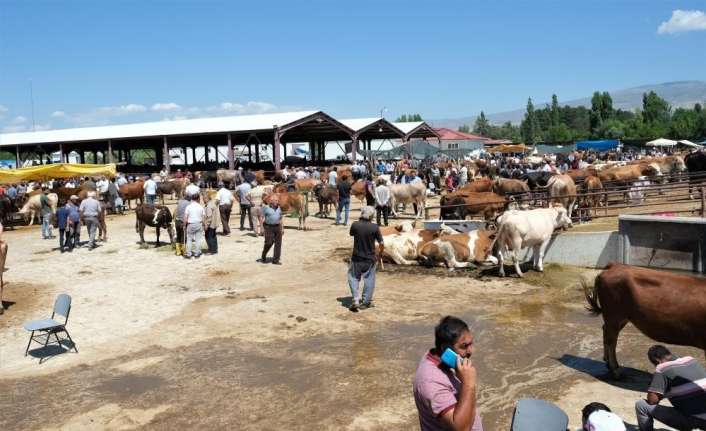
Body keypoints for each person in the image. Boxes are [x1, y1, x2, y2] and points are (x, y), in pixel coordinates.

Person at [413, 316, 483, 431]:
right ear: (446, 348)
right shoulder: (431, 382)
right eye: (464, 346)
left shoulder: (440, 359)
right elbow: (461, 428)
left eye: (471, 344)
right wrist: (469, 384)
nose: (471, 351)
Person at [635, 345, 706, 431]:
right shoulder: (691, 360)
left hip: (697, 420)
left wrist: (654, 386)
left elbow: (652, 400)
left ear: (657, 360)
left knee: (641, 405)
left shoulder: (662, 368)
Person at [347, 206, 384, 311]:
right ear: (372, 216)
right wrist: (380, 253)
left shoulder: (355, 225)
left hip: (356, 257)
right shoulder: (375, 227)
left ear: (362, 214)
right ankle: (366, 301)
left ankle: (355, 298)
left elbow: (352, 234)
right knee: (369, 280)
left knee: (353, 277)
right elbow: (381, 243)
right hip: (370, 258)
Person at [258, 194, 283, 265]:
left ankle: (276, 260)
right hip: (268, 227)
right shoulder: (265, 208)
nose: (276, 202)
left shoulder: (279, 208)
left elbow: (280, 218)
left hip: (277, 227)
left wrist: (282, 228)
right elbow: (261, 217)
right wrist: (261, 228)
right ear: (270, 201)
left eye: (277, 200)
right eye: (274, 200)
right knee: (269, 242)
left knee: (278, 244)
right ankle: (264, 254)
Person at [183, 194, 205, 259]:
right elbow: (203, 218)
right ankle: (197, 253)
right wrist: (204, 225)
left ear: (192, 199)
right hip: (198, 224)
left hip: (190, 224)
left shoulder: (188, 207)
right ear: (198, 199)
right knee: (198, 240)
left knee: (189, 240)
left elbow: (185, 217)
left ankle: (188, 254)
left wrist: (184, 225)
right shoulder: (201, 207)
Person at [174, 192, 190, 256]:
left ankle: (178, 251)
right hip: (182, 222)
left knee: (178, 236)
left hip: (177, 221)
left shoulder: (180, 201)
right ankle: (183, 251)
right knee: (184, 236)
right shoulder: (189, 204)